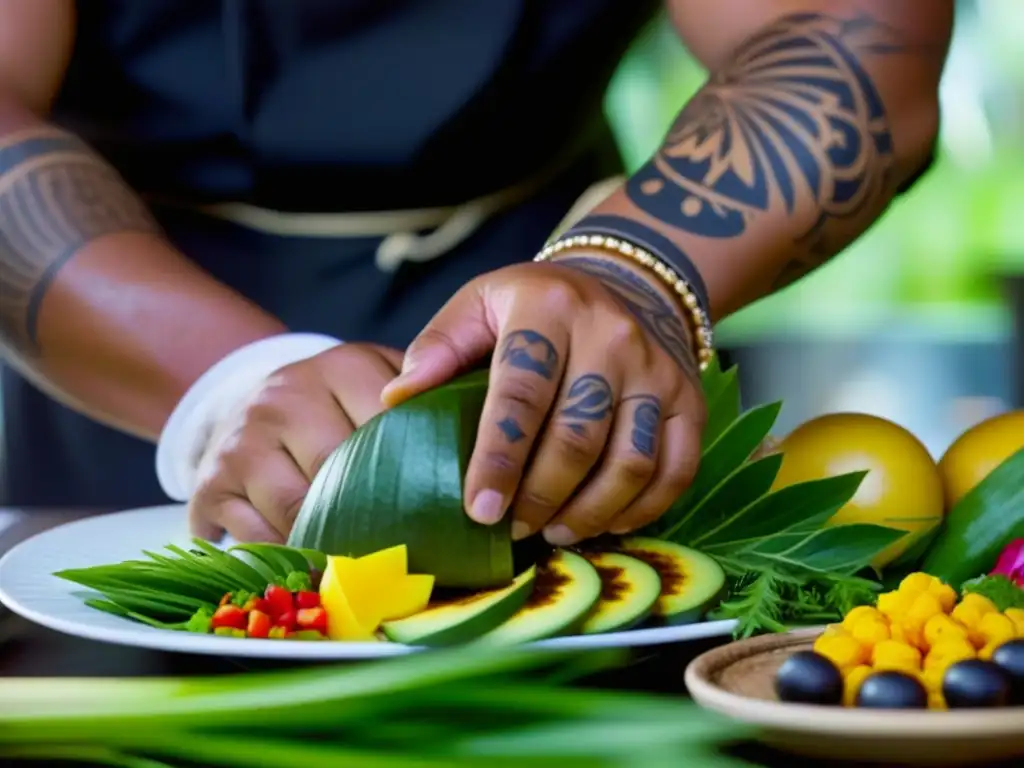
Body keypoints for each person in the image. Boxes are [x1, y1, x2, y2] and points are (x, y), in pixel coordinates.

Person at [0, 0, 952, 547]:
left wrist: (635, 272)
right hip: (118, 343)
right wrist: (225, 385)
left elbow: (848, 28)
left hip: (578, 341)